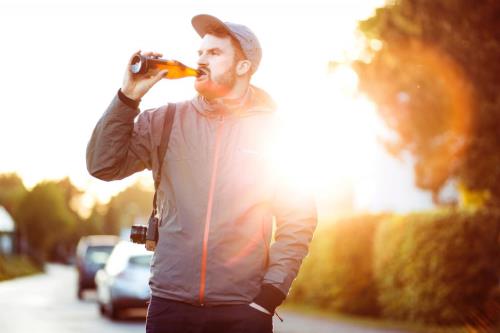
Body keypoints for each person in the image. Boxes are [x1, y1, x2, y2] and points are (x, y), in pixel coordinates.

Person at [86, 14, 317, 333]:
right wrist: (128, 96)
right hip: (170, 308)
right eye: (200, 53)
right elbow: (103, 165)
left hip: (242, 310)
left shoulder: (276, 133)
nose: (201, 59)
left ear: (242, 67)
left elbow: (299, 220)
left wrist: (267, 298)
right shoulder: (165, 121)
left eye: (214, 53)